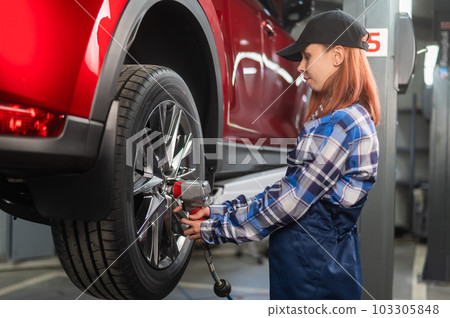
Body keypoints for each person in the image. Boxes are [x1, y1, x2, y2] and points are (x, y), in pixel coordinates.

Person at [174, 9, 380, 300]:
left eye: (308, 56)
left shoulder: (340, 124)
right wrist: (220, 212)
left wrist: (215, 229)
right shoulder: (350, 119)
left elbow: (289, 203)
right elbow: (287, 192)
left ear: (337, 56)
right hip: (322, 264)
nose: (300, 67)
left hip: (312, 276)